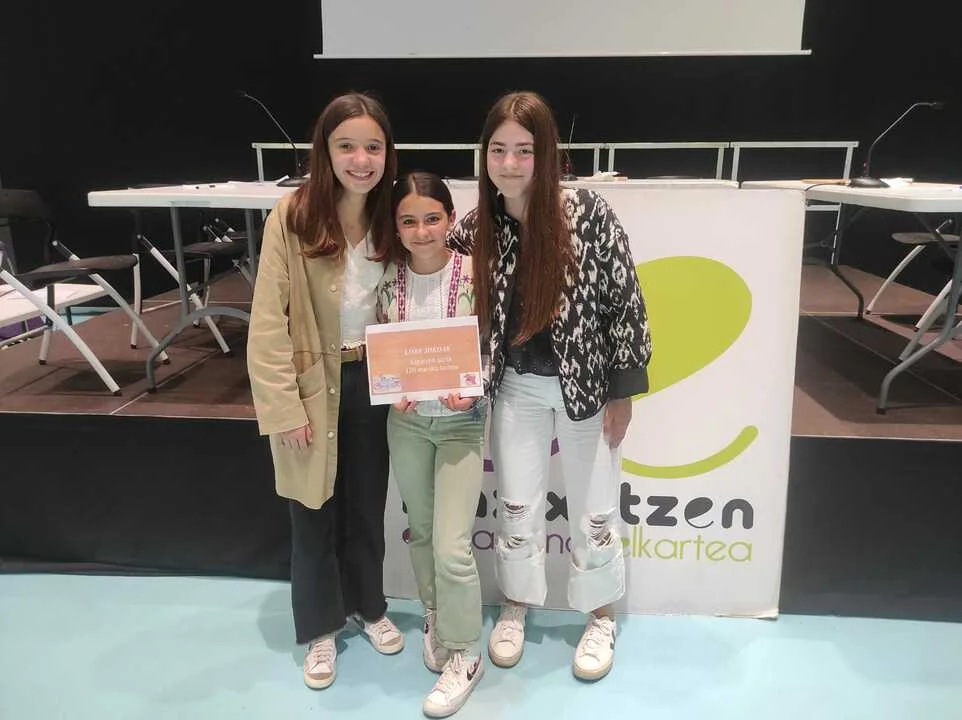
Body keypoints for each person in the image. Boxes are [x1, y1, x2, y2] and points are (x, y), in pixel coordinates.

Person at [448, 91, 652, 681]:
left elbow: (624, 300)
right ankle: (517, 603)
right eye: (498, 150)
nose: (510, 163)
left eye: (524, 150)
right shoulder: (477, 228)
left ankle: (601, 615)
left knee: (594, 507)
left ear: (547, 153)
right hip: (516, 389)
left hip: (587, 389)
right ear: (484, 155)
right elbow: (438, 282)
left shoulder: (587, 213)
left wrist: (623, 391)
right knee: (517, 504)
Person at [247, 92, 404, 691]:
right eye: (347, 146)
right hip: (314, 384)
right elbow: (268, 321)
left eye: (373, 147)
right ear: (326, 150)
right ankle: (320, 625)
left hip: (377, 380)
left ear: (388, 153)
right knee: (313, 509)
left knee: (366, 504)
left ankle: (369, 605)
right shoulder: (292, 216)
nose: (361, 160)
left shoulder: (394, 214)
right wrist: (284, 407)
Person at [375, 172, 486, 717]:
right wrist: (387, 389)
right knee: (420, 530)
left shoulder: (475, 274)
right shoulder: (388, 281)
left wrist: (475, 387)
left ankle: (466, 652)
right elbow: (379, 349)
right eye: (409, 221)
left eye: (432, 219)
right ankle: (435, 614)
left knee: (452, 546)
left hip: (462, 426)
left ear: (450, 219)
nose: (421, 231)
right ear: (396, 227)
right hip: (409, 425)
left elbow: (494, 347)